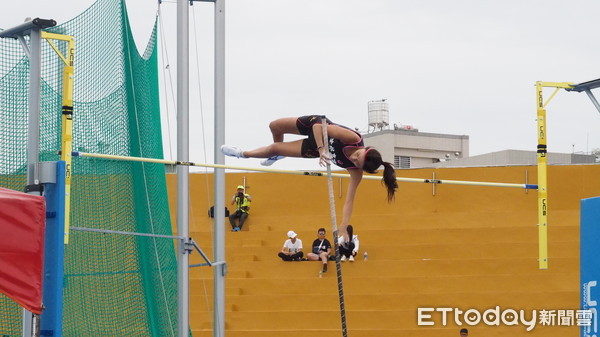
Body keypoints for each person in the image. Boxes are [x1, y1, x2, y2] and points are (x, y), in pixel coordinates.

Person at [221, 115, 398, 239]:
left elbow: (349, 201)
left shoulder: (355, 171)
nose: (353, 158)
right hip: (317, 128)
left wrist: (343, 227)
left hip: (314, 148)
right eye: (357, 155)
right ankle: (277, 153)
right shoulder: (352, 138)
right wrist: (322, 150)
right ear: (364, 149)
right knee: (274, 126)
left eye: (356, 162)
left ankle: (242, 153)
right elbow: (317, 128)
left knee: (274, 148)